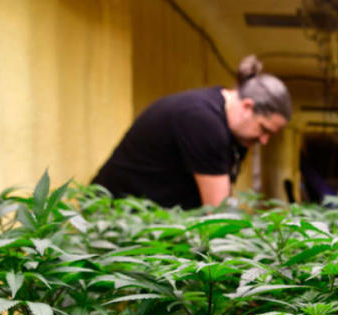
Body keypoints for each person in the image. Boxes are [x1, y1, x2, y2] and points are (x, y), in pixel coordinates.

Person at [92, 55, 291, 209]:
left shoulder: (233, 132)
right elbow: (217, 213)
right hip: (112, 218)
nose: (264, 140)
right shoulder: (204, 121)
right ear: (247, 106)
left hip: (144, 219)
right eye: (264, 129)